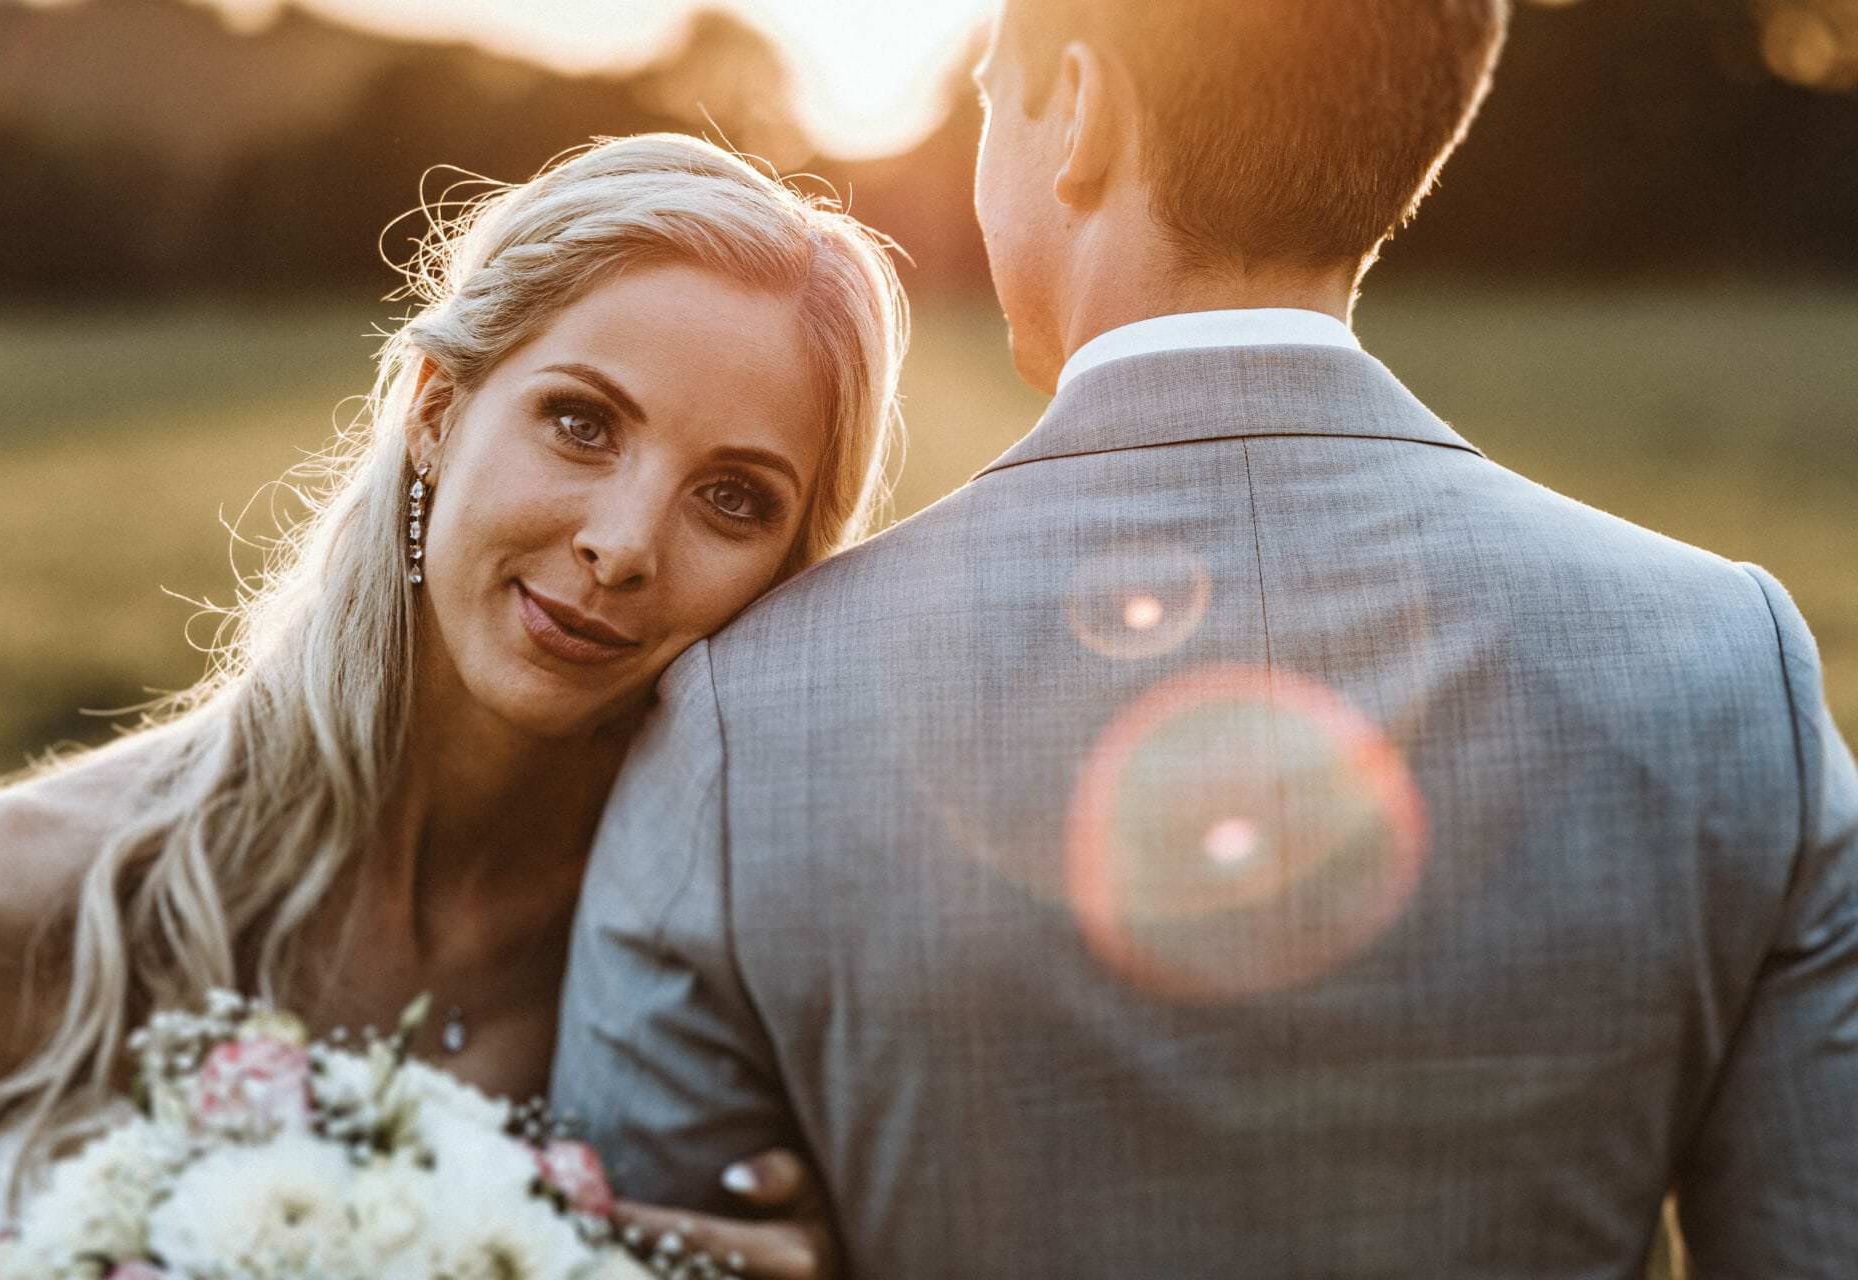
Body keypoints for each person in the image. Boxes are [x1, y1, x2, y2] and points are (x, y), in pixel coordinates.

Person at [552, 0, 1858, 1275]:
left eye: (989, 96)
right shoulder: (1727, 660)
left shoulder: (741, 710)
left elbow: (618, 1244)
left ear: (1082, 111)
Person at [0, 133, 906, 1276]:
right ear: (438, 408)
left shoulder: (749, 1002)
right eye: (583, 421)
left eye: (734, 498)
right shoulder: (4, 902)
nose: (625, 542)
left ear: (791, 565)